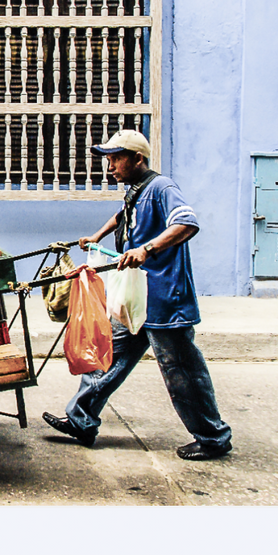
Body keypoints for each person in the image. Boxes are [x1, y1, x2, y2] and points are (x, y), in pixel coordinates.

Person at [42, 129, 233, 460]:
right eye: (109, 160)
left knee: (182, 371)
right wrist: (97, 234)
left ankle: (213, 438)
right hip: (135, 296)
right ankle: (81, 421)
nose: (110, 166)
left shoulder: (162, 188)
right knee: (107, 357)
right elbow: (123, 216)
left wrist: (148, 248)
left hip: (164, 299)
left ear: (137, 159)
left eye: (116, 159)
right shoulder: (136, 190)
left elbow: (187, 222)